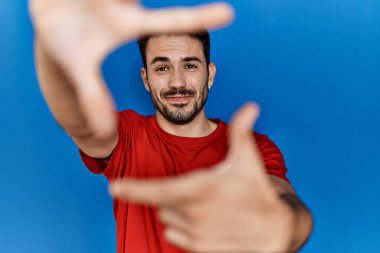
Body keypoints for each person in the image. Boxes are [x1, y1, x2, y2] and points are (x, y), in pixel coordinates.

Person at [30, 0, 313, 252]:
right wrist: (55, 55)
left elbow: (287, 204)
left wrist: (280, 226)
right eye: (162, 68)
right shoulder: (128, 135)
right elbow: (81, 125)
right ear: (145, 78)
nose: (177, 82)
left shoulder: (254, 148)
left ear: (209, 74)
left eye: (190, 66)